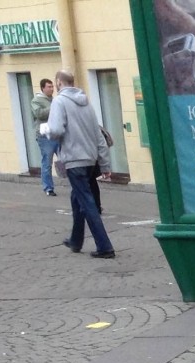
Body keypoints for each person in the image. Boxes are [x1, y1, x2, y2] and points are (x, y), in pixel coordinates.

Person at [46, 70, 115, 259]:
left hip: (74, 159)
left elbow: (56, 130)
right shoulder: (87, 104)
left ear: (59, 82)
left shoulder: (59, 102)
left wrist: (47, 131)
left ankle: (105, 246)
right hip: (90, 159)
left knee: (87, 202)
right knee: (77, 199)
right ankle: (76, 241)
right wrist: (105, 165)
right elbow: (99, 137)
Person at [31, 78, 58, 196]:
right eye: (49, 87)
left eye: (52, 87)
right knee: (47, 162)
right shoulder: (36, 100)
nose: (51, 89)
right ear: (43, 88)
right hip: (44, 136)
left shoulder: (55, 100)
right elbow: (39, 114)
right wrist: (53, 107)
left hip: (56, 133)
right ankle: (48, 188)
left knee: (67, 159)